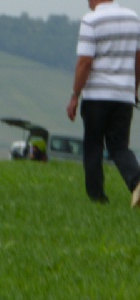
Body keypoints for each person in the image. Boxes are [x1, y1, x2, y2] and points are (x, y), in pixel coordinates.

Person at [66, 0, 140, 207]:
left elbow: (85, 62)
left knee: (93, 147)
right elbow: (138, 58)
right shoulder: (133, 18)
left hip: (97, 95)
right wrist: (133, 88)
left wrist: (74, 95)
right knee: (119, 147)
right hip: (123, 95)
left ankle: (97, 197)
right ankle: (137, 181)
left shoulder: (91, 20)